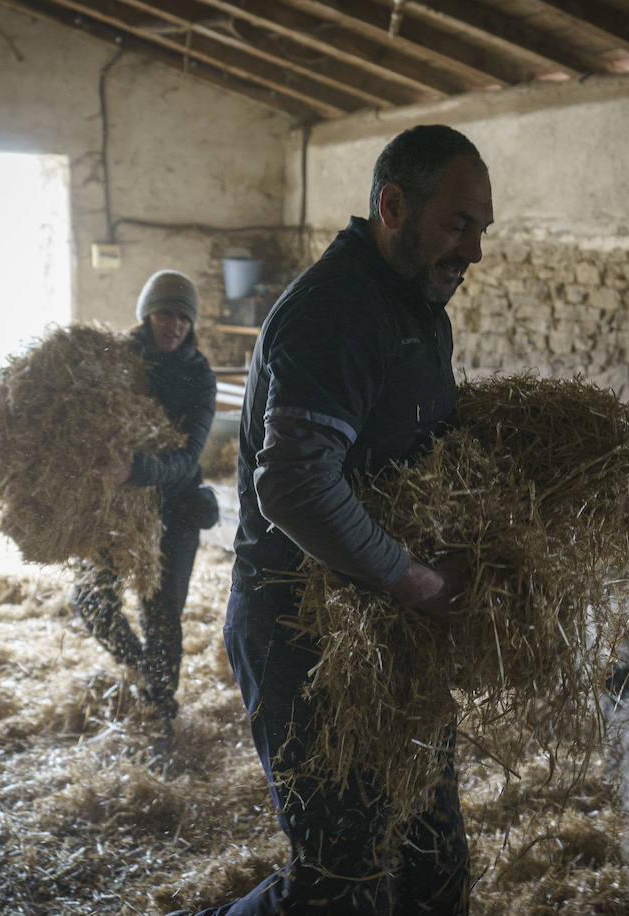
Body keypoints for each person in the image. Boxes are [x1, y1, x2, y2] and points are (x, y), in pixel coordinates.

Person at [190, 125, 493, 915]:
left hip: (383, 623)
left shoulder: (418, 309)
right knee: (341, 882)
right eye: (460, 225)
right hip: (304, 629)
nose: (476, 252)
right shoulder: (337, 310)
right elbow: (291, 484)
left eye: (482, 231)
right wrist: (417, 580)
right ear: (394, 205)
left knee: (433, 864)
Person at [71, 269, 218, 747]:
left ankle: (161, 710)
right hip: (117, 510)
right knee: (92, 603)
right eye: (164, 313)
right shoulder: (117, 357)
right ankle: (138, 668)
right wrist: (2, 386)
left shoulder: (198, 375)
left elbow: (185, 458)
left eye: (182, 316)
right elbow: (53, 372)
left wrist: (134, 470)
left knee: (161, 614)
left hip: (174, 506)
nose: (173, 324)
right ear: (146, 314)